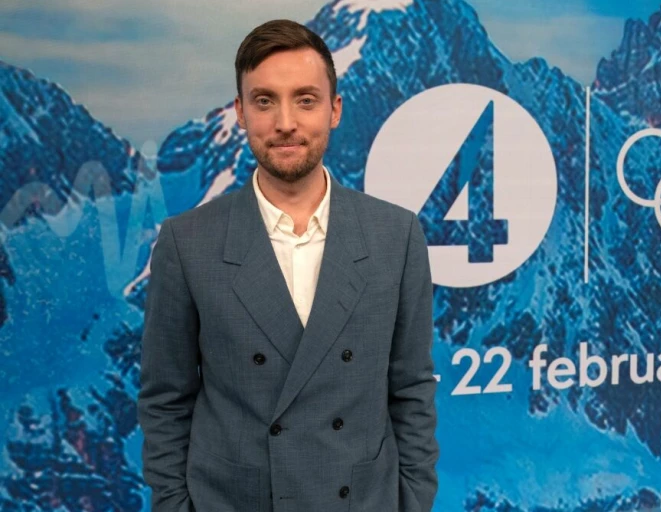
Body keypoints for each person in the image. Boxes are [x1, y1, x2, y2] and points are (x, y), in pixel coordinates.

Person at [137, 19, 438, 512]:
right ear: (239, 112)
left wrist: (412, 502)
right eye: (264, 101)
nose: (285, 123)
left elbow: (411, 390)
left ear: (334, 110)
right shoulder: (186, 243)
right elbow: (165, 401)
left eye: (305, 100)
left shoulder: (396, 236)